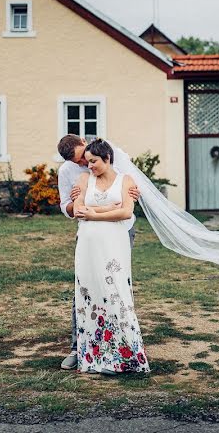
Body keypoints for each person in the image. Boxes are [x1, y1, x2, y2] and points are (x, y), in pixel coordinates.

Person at [56, 134, 139, 370]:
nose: (86, 164)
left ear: (85, 143)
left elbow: (127, 197)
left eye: (86, 158)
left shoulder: (112, 154)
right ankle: (78, 346)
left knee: (116, 284)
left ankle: (121, 341)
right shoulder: (70, 172)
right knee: (86, 286)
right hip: (90, 236)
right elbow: (69, 208)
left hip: (120, 231)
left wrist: (130, 197)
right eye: (80, 162)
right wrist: (79, 205)